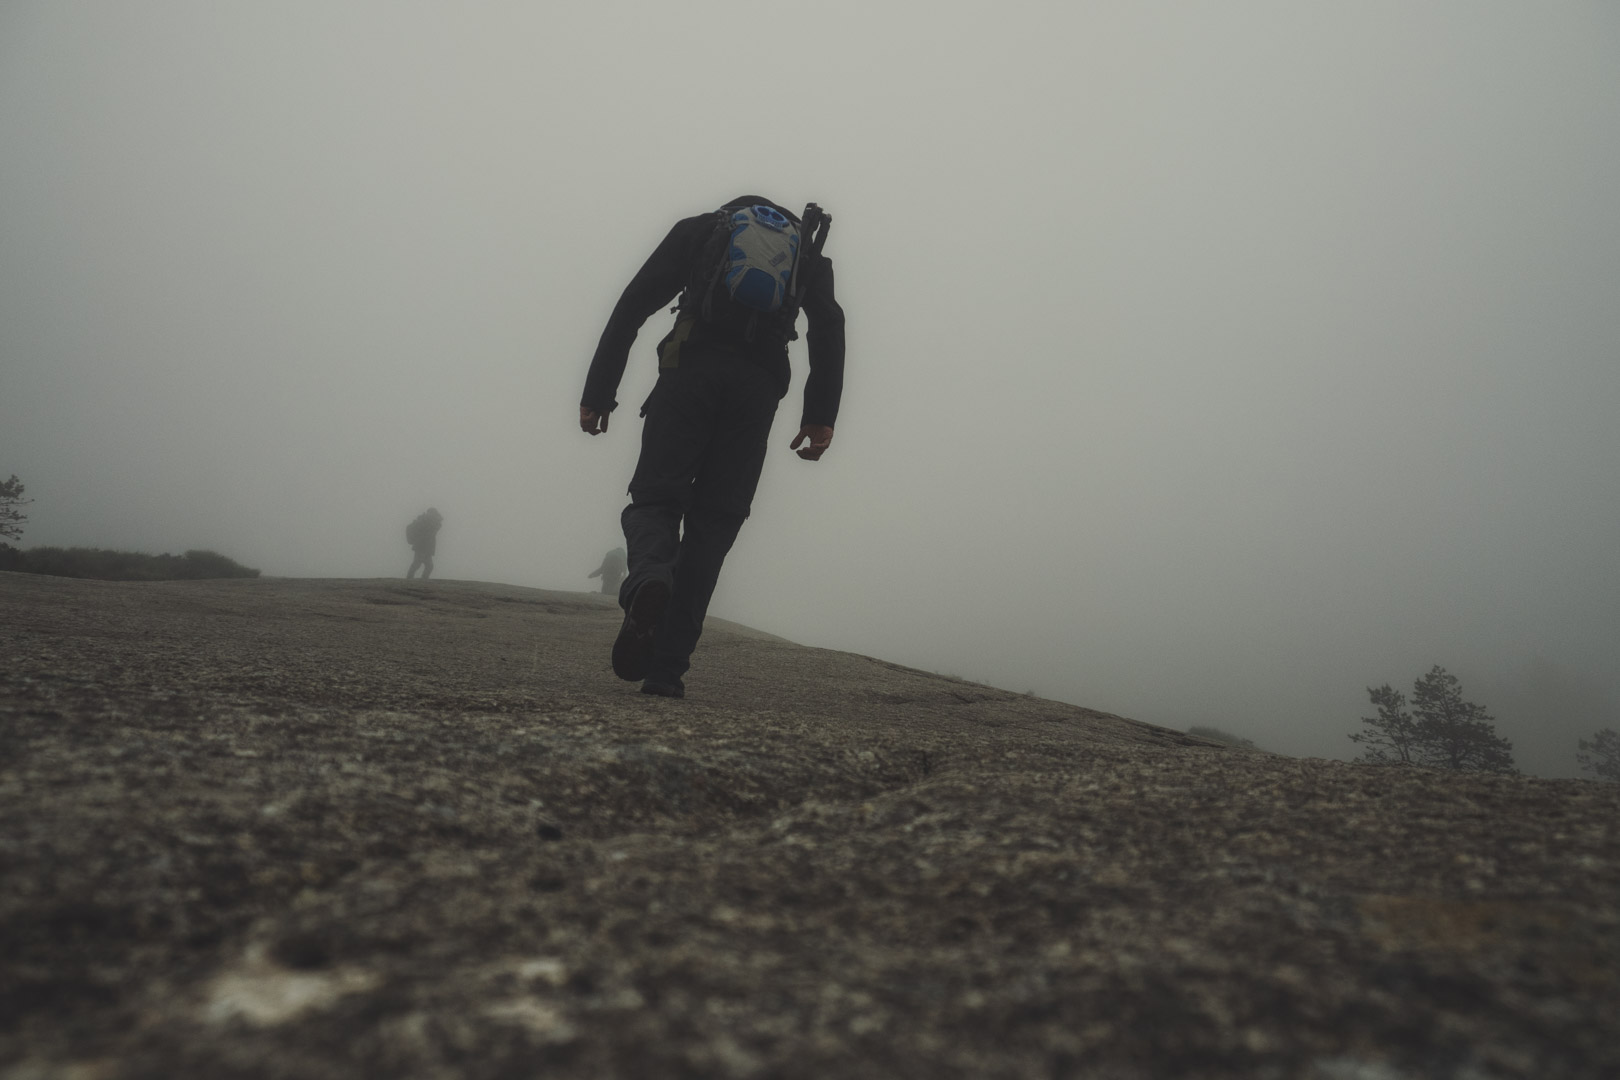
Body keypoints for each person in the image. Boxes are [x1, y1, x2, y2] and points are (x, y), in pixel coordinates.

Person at [580, 195, 845, 698]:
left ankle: (650, 576)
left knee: (655, 499)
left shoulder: (702, 230)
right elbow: (829, 326)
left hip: (688, 372)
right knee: (715, 524)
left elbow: (633, 304)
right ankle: (666, 670)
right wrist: (820, 416)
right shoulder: (806, 256)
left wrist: (599, 392)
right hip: (756, 392)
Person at [405, 508, 442, 580]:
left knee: (428, 566)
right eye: (433, 513)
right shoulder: (424, 521)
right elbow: (434, 528)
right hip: (421, 546)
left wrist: (438, 519)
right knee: (418, 564)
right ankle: (410, 579)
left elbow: (437, 527)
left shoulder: (429, 521)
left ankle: (420, 580)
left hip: (426, 547)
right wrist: (438, 519)